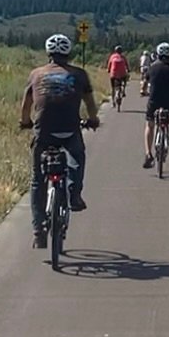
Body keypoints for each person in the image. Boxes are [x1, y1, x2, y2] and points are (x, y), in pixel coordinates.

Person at [21, 34, 100, 249]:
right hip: (69, 130)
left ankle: (38, 231)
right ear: (68, 53)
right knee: (77, 157)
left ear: (49, 54)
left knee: (38, 180)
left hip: (44, 132)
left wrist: (25, 122)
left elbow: (26, 104)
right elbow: (90, 103)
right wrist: (93, 120)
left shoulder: (36, 74)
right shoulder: (79, 74)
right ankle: (74, 194)